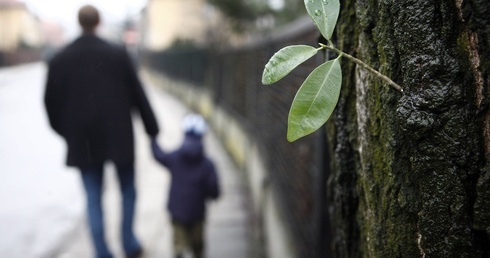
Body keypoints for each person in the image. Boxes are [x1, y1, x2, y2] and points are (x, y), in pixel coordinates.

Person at [44, 5, 159, 258]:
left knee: (93, 197)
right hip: (119, 136)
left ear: (79, 23)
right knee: (127, 189)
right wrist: (153, 130)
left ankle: (102, 253)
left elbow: (50, 104)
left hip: (82, 140)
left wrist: (67, 132)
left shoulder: (60, 59)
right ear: (98, 22)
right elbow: (138, 95)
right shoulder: (117, 54)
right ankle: (129, 244)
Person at [151, 114, 220, 258]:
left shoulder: (175, 157)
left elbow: (159, 155)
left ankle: (179, 250)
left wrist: (152, 137)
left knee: (179, 243)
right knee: (198, 246)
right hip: (197, 213)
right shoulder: (207, 164)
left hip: (177, 212)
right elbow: (214, 191)